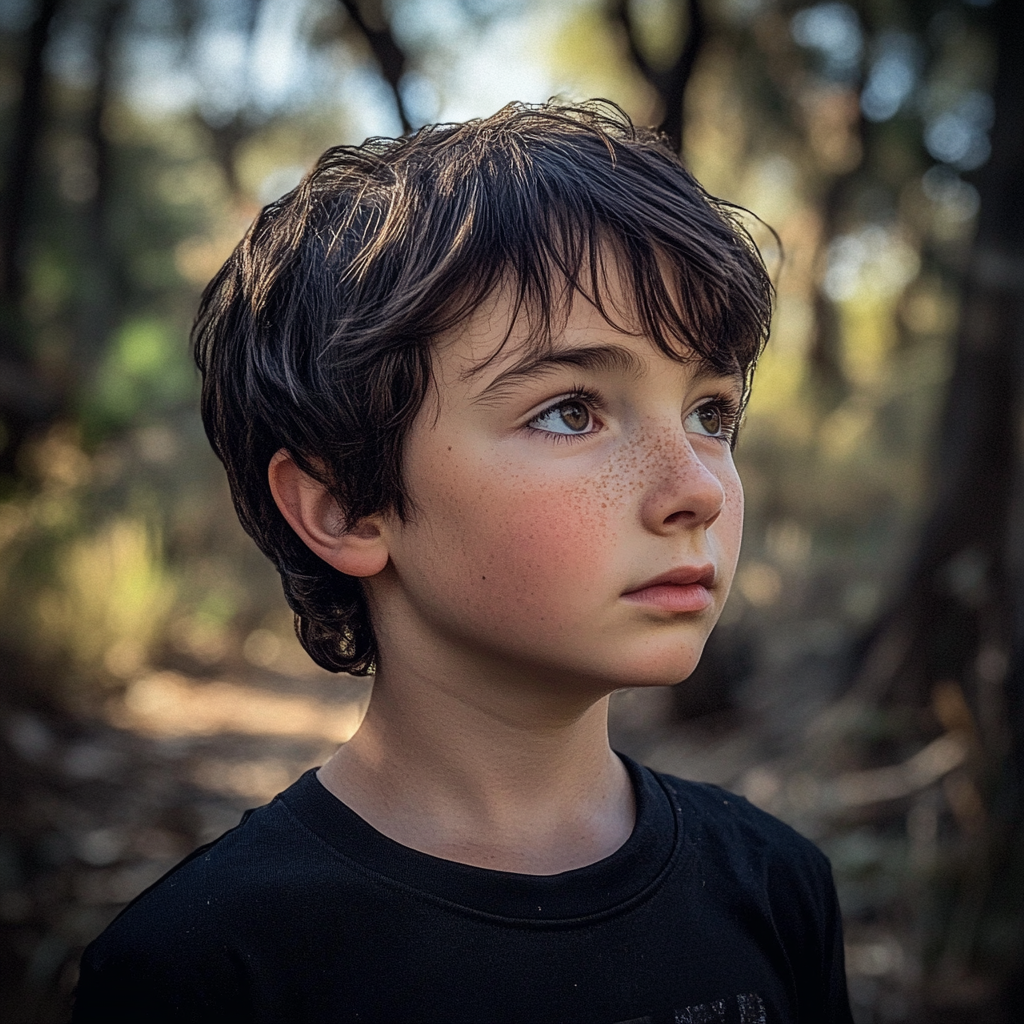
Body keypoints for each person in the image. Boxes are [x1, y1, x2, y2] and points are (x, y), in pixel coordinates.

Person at [73, 100, 853, 1023]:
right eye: (571, 410)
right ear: (347, 506)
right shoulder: (206, 967)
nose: (699, 490)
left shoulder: (774, 884)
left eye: (710, 413)